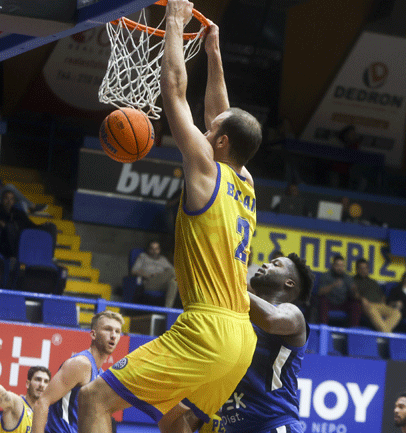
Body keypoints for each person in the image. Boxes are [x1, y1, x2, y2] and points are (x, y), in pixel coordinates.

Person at [77, 4, 262, 432]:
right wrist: (213, 53)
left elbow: (175, 92)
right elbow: (222, 116)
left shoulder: (205, 168)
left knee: (93, 399)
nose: (204, 131)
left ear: (220, 143)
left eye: (210, 132)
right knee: (173, 422)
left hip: (207, 327)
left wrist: (175, 22)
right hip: (241, 338)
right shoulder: (246, 181)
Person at [199, 253, 314, 433]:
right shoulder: (237, 317)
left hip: (274, 425)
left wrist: (226, 284)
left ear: (289, 283)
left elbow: (270, 320)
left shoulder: (292, 314)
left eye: (276, 264)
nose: (266, 264)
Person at [31, 311, 123, 433]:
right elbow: (42, 402)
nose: (113, 335)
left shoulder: (101, 374)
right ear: (93, 334)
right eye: (108, 329)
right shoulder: (81, 364)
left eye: (117, 331)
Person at [0, 341, 51, 433]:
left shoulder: (46, 417)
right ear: (28, 384)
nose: (42, 385)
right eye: (38, 379)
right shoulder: (16, 404)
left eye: (46, 381)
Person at [0, 190, 58, 258]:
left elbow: (30, 225)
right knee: (9, 227)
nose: (9, 201)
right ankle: (17, 256)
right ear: (1, 200)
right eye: (6, 198)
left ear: (14, 201)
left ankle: (49, 257)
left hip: (22, 237)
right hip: (5, 241)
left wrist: (43, 225)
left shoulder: (18, 212)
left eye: (11, 199)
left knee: (51, 226)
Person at [353, 258, 400, 333]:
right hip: (368, 305)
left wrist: (384, 302)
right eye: (361, 268)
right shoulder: (354, 280)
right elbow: (354, 294)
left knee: (397, 313)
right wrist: (362, 299)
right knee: (373, 310)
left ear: (368, 269)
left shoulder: (373, 281)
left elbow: (382, 295)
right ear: (357, 269)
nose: (364, 270)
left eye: (366, 268)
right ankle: (387, 334)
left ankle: (384, 333)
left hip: (380, 305)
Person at [130, 240, 179, 308]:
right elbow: (133, 271)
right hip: (149, 281)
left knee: (174, 282)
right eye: (152, 249)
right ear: (148, 249)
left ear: (159, 250)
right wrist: (146, 275)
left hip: (161, 283)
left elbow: (171, 271)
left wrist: (160, 274)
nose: (154, 251)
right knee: (174, 272)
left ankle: (167, 309)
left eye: (156, 249)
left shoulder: (162, 259)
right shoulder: (143, 256)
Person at [317, 254, 360, 327]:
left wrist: (354, 291)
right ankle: (323, 328)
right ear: (333, 266)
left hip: (343, 303)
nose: (340, 268)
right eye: (337, 265)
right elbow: (320, 292)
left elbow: (355, 296)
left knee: (356, 304)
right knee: (322, 301)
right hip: (330, 302)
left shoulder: (348, 278)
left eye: (342, 266)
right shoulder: (326, 276)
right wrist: (333, 285)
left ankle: (353, 329)